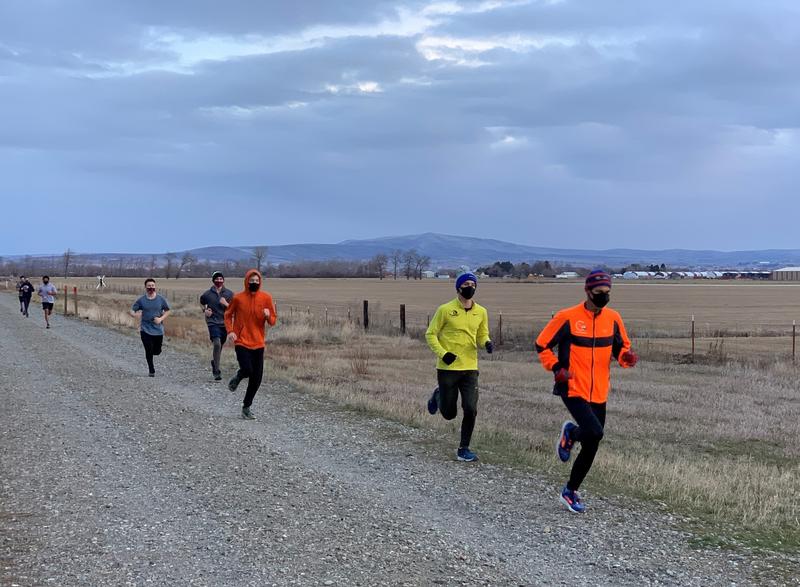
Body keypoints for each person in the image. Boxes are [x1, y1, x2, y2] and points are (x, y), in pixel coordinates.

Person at [535, 269, 638, 513]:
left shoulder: (613, 319)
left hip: (600, 390)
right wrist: (557, 367)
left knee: (592, 443)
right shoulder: (567, 317)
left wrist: (627, 358)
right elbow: (542, 344)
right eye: (598, 292)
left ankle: (570, 490)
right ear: (587, 291)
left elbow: (621, 349)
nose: (603, 296)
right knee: (595, 432)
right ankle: (572, 432)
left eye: (607, 292)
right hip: (572, 386)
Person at [424, 271, 493, 462]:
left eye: (473, 284)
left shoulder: (482, 312)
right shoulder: (445, 310)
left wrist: (486, 342)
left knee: (471, 408)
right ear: (458, 288)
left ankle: (464, 449)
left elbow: (481, 335)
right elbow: (430, 334)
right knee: (448, 414)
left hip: (470, 368)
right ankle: (439, 395)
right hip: (448, 368)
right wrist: (443, 354)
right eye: (466, 284)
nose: (470, 287)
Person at [224, 269, 277, 420]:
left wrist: (268, 316)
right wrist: (230, 331)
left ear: (260, 282)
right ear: (246, 281)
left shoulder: (266, 298)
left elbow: (273, 321)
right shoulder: (238, 298)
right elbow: (228, 315)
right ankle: (239, 376)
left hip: (258, 343)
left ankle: (246, 407)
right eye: (251, 281)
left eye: (256, 281)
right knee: (247, 369)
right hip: (241, 341)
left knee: (257, 378)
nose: (254, 283)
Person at [130, 278, 171, 377]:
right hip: (145, 328)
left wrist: (161, 319)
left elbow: (168, 310)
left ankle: (156, 351)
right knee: (148, 349)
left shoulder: (161, 299)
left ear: (155, 287)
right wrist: (134, 315)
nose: (151, 288)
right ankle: (151, 370)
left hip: (158, 329)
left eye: (152, 286)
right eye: (149, 286)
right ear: (145, 287)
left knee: (156, 351)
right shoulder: (141, 300)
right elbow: (132, 310)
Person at [200, 271, 234, 381]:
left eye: (221, 279)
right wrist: (205, 310)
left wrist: (226, 304)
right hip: (212, 322)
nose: (219, 281)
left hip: (225, 323)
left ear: (223, 280)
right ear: (213, 280)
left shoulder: (229, 294)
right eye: (217, 279)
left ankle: (215, 362)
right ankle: (217, 371)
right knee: (217, 344)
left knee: (220, 345)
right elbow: (201, 302)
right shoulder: (207, 294)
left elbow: (235, 310)